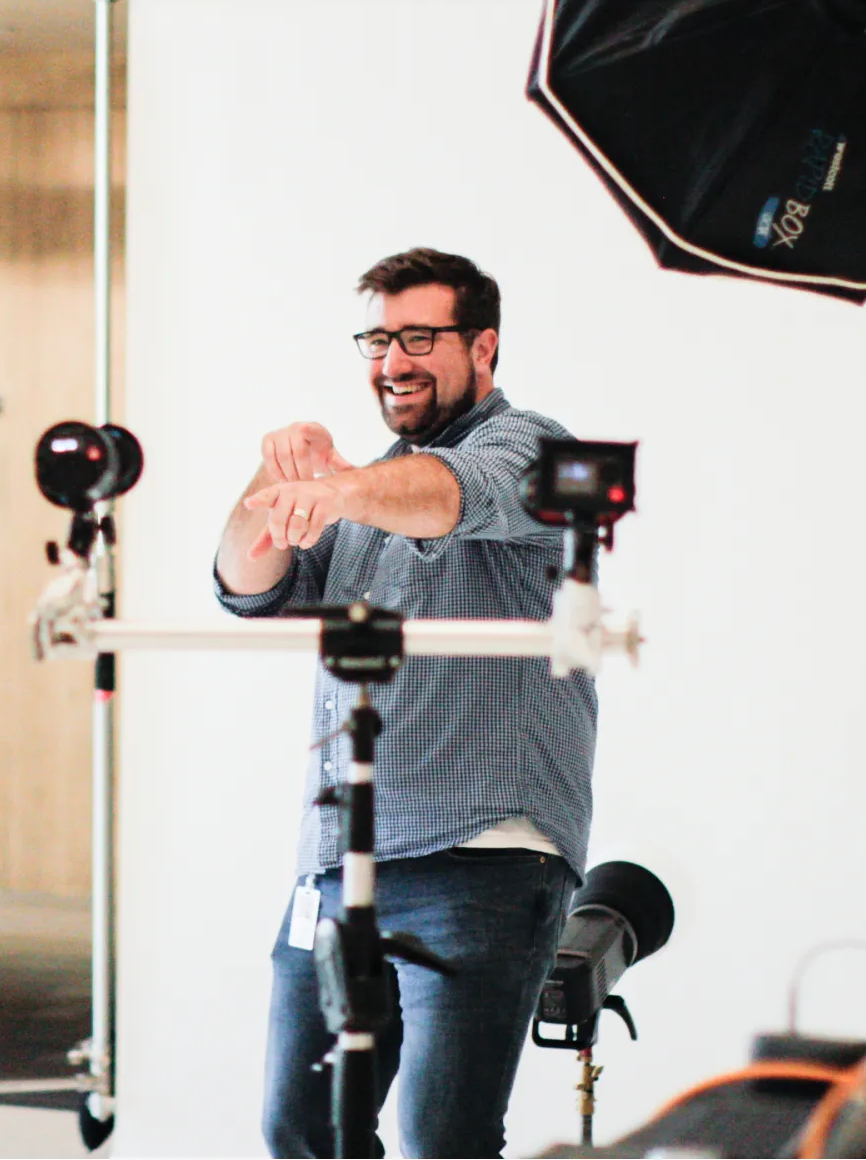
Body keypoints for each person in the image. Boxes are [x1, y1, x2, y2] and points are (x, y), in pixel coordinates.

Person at [215, 248, 593, 1158]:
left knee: (443, 1140)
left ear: (485, 345)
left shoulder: (530, 444)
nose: (393, 361)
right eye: (379, 339)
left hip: (483, 856)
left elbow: (454, 496)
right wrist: (273, 483)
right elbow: (243, 580)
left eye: (419, 336)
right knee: (300, 1128)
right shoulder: (360, 490)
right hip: (341, 861)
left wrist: (338, 486)